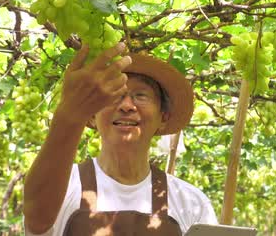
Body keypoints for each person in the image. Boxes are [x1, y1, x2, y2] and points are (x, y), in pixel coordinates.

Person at [23, 42, 218, 236]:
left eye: (140, 95)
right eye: (115, 95)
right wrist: (69, 114)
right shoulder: (63, 186)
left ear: (163, 117)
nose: (127, 106)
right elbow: (37, 220)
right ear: (92, 114)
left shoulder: (191, 204)